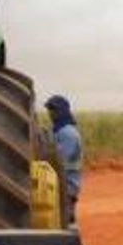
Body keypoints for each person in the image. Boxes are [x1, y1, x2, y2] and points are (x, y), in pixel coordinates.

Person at [46, 95, 84, 228]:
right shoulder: (57, 131)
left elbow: (59, 160)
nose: (51, 113)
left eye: (54, 110)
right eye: (50, 110)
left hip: (67, 186)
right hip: (58, 186)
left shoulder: (68, 134)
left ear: (63, 111)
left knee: (65, 224)